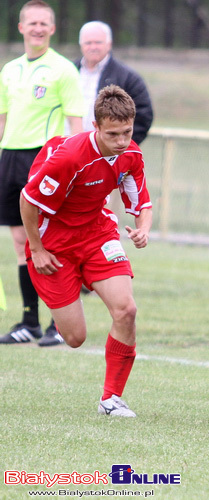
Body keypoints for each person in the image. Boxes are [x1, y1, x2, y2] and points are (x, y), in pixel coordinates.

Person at [20, 84, 152, 417]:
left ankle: (111, 399)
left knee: (126, 310)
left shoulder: (130, 154)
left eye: (126, 132)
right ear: (96, 127)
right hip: (54, 245)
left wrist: (143, 229)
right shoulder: (70, 158)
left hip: (98, 233)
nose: (121, 141)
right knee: (75, 337)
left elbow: (142, 202)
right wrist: (36, 249)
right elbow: (28, 200)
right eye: (112, 134)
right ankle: (76, 280)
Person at [0, 0, 84, 347]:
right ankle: (29, 321)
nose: (37, 28)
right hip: (11, 158)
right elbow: (3, 118)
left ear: (52, 29)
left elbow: (76, 123)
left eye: (43, 23)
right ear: (21, 27)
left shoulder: (63, 70)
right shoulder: (9, 69)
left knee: (52, 242)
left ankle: (58, 324)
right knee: (21, 243)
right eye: (31, 22)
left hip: (45, 160)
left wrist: (77, 165)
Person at [74, 21, 153, 145]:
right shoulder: (67, 71)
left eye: (98, 42)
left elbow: (143, 118)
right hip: (69, 151)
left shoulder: (128, 78)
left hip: (107, 154)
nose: (93, 47)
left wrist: (119, 146)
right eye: (88, 43)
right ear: (81, 45)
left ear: (109, 44)